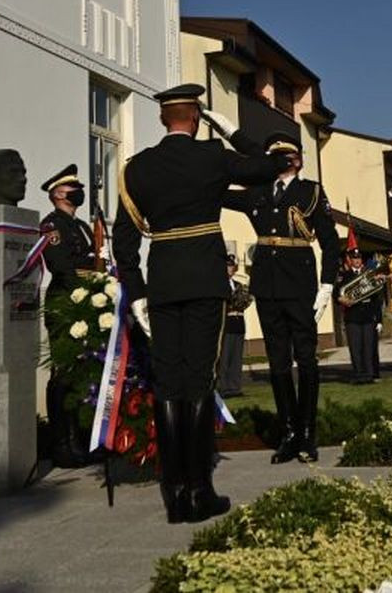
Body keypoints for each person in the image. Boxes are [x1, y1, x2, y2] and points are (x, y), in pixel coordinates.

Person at [111, 85, 290, 523]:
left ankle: (174, 493)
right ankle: (199, 488)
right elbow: (271, 165)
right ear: (195, 117)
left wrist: (136, 292)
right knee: (198, 380)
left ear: (161, 119)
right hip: (206, 280)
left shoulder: (138, 168)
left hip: (163, 284)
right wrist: (228, 129)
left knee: (168, 383)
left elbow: (124, 238)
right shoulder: (212, 156)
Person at [222, 133, 340, 464]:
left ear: (297, 159)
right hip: (268, 287)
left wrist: (327, 284)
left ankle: (307, 433)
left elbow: (330, 242)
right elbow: (218, 192)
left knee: (306, 358)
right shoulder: (258, 193)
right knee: (277, 361)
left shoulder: (311, 192)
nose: (287, 161)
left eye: (288, 156)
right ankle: (288, 432)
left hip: (300, 286)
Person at [38, 164, 99, 468]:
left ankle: (83, 439)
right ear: (58, 194)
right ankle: (61, 443)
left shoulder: (83, 227)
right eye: (72, 187)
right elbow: (60, 266)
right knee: (64, 375)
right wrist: (85, 292)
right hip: (65, 301)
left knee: (84, 374)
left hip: (87, 302)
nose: (79, 191)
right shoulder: (52, 225)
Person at [336, 247, 384, 384]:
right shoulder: (344, 276)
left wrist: (379, 320)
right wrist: (341, 299)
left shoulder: (369, 274)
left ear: (361, 260)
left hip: (368, 316)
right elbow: (336, 293)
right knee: (355, 348)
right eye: (354, 259)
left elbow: (377, 299)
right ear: (350, 261)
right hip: (353, 317)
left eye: (358, 258)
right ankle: (358, 375)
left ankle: (369, 375)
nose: (357, 261)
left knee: (369, 348)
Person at [218, 254, 253, 397]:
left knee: (237, 359)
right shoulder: (219, 285)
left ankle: (235, 387)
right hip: (226, 324)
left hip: (238, 324)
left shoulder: (238, 285)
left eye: (232, 266)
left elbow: (244, 302)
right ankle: (224, 388)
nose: (231, 268)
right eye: (228, 266)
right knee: (225, 358)